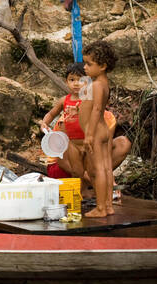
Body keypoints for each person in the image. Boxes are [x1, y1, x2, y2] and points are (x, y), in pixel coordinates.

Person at [41, 62, 131, 181]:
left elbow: (105, 142)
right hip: (70, 149)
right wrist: (44, 123)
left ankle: (97, 179)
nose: (76, 84)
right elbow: (51, 113)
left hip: (90, 146)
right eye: (72, 80)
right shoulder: (64, 101)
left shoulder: (91, 102)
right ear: (66, 81)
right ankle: (86, 185)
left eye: (81, 80)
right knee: (76, 169)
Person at [77, 41, 119, 217]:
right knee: (107, 168)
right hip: (103, 130)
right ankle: (108, 205)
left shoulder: (96, 85)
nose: (85, 67)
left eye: (89, 64)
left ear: (102, 66)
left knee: (98, 169)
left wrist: (89, 134)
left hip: (96, 130)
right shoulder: (101, 83)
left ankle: (100, 208)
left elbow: (96, 110)